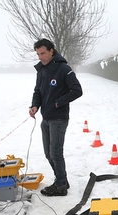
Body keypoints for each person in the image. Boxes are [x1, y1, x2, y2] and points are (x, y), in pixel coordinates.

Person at [29, 38, 83, 196]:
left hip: (59, 119)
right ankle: (62, 180)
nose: (40, 57)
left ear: (51, 50)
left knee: (56, 153)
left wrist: (58, 102)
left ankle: (60, 185)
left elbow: (77, 90)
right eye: (38, 54)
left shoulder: (63, 68)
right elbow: (37, 92)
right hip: (45, 119)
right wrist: (34, 106)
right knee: (48, 153)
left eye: (43, 53)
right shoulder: (42, 70)